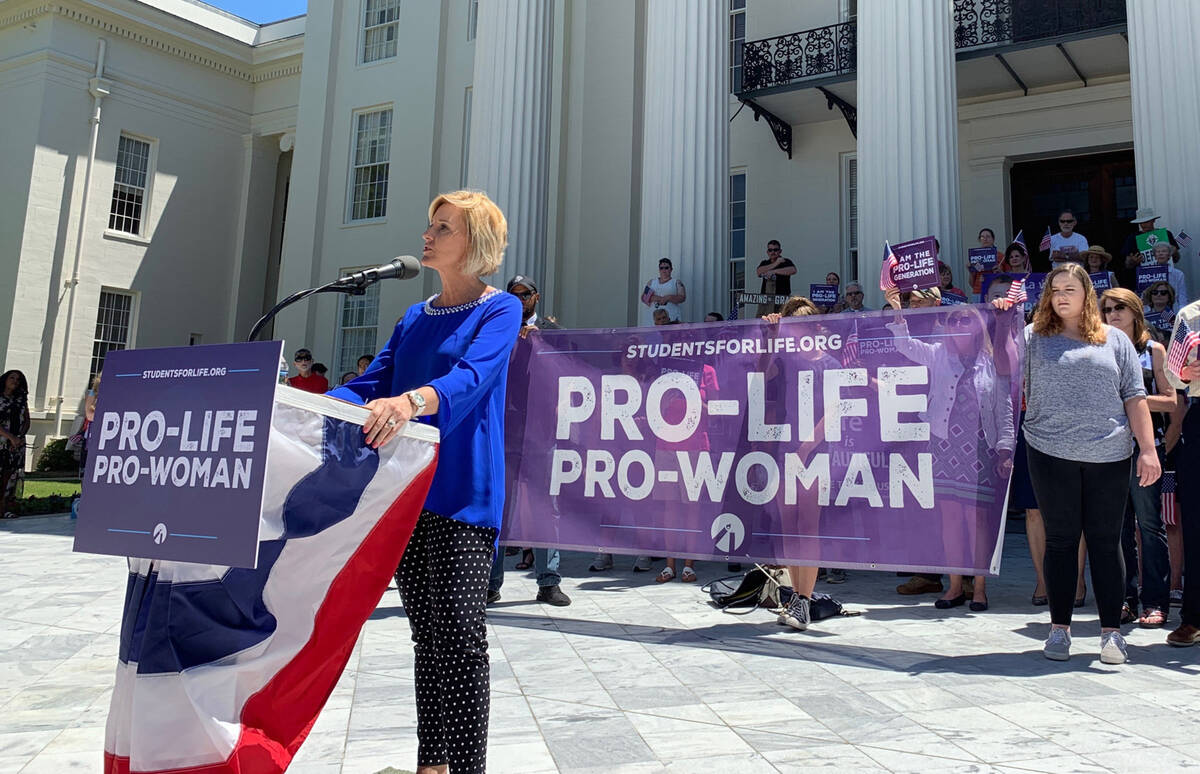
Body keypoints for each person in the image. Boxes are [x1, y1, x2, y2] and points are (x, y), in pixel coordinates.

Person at [328, 190, 522, 774]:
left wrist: (413, 402)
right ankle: (432, 765)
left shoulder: (499, 310)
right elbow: (370, 384)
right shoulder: (414, 316)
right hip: (407, 493)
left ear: (476, 243)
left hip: (464, 492)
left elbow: (472, 376)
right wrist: (293, 403)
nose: (428, 236)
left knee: (461, 640)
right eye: (429, 224)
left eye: (443, 227)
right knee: (428, 641)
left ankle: (466, 769)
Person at [1019, 263, 1159, 664]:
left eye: (1070, 289)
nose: (1061, 295)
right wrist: (999, 317)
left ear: (1087, 296)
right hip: (1049, 452)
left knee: (1105, 541)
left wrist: (1147, 450)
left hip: (1109, 454)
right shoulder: (1031, 337)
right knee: (1061, 541)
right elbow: (992, 360)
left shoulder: (1114, 340)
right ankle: (1059, 630)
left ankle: (1112, 634)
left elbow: (1135, 396)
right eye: (1055, 289)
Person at [757, 296, 843, 628]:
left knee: (808, 526)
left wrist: (807, 447)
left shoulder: (830, 363)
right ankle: (795, 598)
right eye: (795, 326)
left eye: (806, 324)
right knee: (788, 526)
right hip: (786, 449)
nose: (801, 330)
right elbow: (761, 373)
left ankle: (805, 601)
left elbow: (833, 410)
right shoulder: (788, 359)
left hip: (815, 451)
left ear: (817, 326)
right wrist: (772, 335)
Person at [487, 274, 570, 607]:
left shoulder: (550, 332)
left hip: (541, 432)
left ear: (536, 297)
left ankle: (549, 582)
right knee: (499, 510)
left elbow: (572, 365)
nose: (520, 299)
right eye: (514, 294)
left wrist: (543, 342)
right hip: (504, 430)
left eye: (525, 295)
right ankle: (490, 584)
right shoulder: (495, 330)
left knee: (544, 508)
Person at [1099, 289, 1179, 629]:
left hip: (1144, 447)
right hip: (1107, 448)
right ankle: (1125, 600)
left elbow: (1172, 402)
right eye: (1106, 309)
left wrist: (1134, 400)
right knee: (1117, 530)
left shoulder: (1152, 350)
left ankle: (1156, 601)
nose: (1112, 314)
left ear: (1134, 311)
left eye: (1119, 308)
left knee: (1149, 525)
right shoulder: (1099, 348)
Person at [1164, 299, 1200, 647]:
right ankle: (1194, 618)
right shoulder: (1190, 316)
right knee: (1195, 522)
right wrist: (1189, 371)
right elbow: (1173, 374)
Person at [1120, 207, 1178, 289]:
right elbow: (1127, 265)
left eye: (1147, 221)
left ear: (1153, 220)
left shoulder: (1166, 234)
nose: (1144, 225)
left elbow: (1176, 259)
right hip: (1145, 280)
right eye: (1141, 222)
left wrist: (1174, 252)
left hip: (1167, 277)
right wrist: (1133, 261)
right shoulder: (1132, 238)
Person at [0, 370, 29, 519]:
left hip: (16, 445)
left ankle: (5, 509)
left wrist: (18, 437)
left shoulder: (21, 400)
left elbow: (26, 420)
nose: (15, 381)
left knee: (9, 477)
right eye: (12, 378)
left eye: (18, 379)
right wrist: (10, 437)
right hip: (2, 442)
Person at [755, 240, 796, 313]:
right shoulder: (764, 263)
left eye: (775, 250)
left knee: (782, 322)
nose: (773, 252)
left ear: (780, 251)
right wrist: (776, 263)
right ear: (767, 252)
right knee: (763, 321)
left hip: (782, 300)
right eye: (770, 250)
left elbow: (793, 270)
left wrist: (774, 271)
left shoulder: (785, 261)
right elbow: (759, 272)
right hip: (766, 300)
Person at [642, 258, 685, 324]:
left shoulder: (676, 282)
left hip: (671, 315)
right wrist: (656, 298)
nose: (664, 270)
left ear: (671, 269)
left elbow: (682, 297)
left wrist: (669, 297)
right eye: (661, 268)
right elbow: (643, 298)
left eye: (666, 268)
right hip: (653, 317)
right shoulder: (652, 282)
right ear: (659, 270)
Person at [1150, 242, 1189, 308]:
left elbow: (1182, 296)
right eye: (1158, 251)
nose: (1160, 253)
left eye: (1164, 251)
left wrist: (1182, 312)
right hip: (1153, 309)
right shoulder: (1148, 273)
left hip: (1173, 308)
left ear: (1169, 255)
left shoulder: (1178, 274)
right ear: (1155, 256)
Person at [970, 228, 1004, 295]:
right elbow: (971, 284)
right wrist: (970, 272)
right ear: (979, 240)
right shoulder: (975, 257)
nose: (985, 239)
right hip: (978, 291)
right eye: (982, 237)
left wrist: (1000, 272)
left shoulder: (1001, 256)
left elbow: (1009, 277)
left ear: (993, 239)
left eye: (988, 236)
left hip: (996, 291)